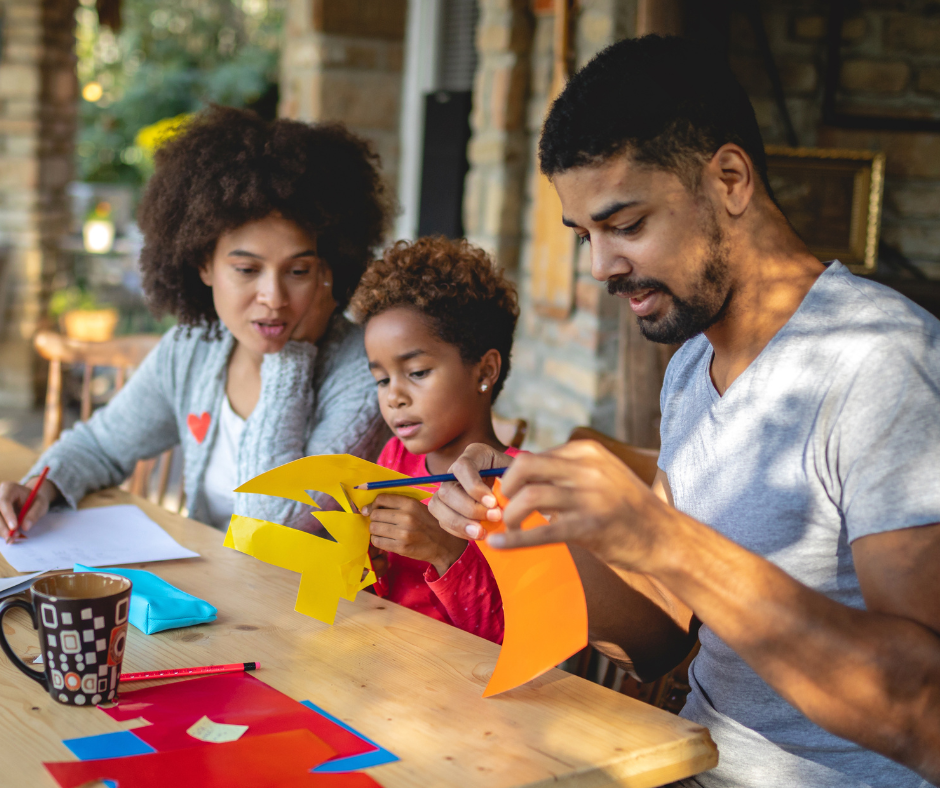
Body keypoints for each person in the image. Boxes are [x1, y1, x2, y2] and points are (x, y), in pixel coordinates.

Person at [429, 36, 940, 787]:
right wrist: (528, 527)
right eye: (585, 236)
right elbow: (663, 641)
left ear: (729, 179)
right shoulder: (693, 367)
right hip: (681, 765)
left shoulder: (881, 361)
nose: (600, 266)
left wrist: (662, 537)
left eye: (626, 225)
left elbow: (922, 709)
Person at [0, 106, 390, 535]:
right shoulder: (194, 346)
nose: (273, 298)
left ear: (328, 269)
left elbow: (271, 533)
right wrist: (40, 486)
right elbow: (100, 445)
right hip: (209, 588)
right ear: (204, 264)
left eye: (298, 271)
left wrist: (292, 358)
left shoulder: (364, 372)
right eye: (246, 270)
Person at [349, 237, 519, 644]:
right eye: (382, 379)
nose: (394, 396)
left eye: (418, 372)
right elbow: (388, 602)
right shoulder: (393, 460)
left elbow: (514, 641)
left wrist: (446, 551)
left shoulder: (517, 483)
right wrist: (371, 566)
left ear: (485, 370)